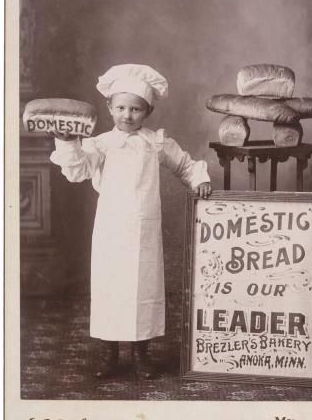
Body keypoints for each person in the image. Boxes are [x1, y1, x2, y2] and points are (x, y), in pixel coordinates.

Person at [50, 63, 212, 380]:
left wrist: (200, 180)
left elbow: (185, 164)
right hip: (111, 229)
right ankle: (108, 354)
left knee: (143, 288)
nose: (127, 115)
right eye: (121, 107)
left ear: (147, 111)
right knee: (111, 287)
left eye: (136, 109)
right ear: (110, 107)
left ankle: (141, 354)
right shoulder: (100, 143)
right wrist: (68, 142)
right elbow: (78, 170)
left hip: (145, 232)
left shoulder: (156, 143)